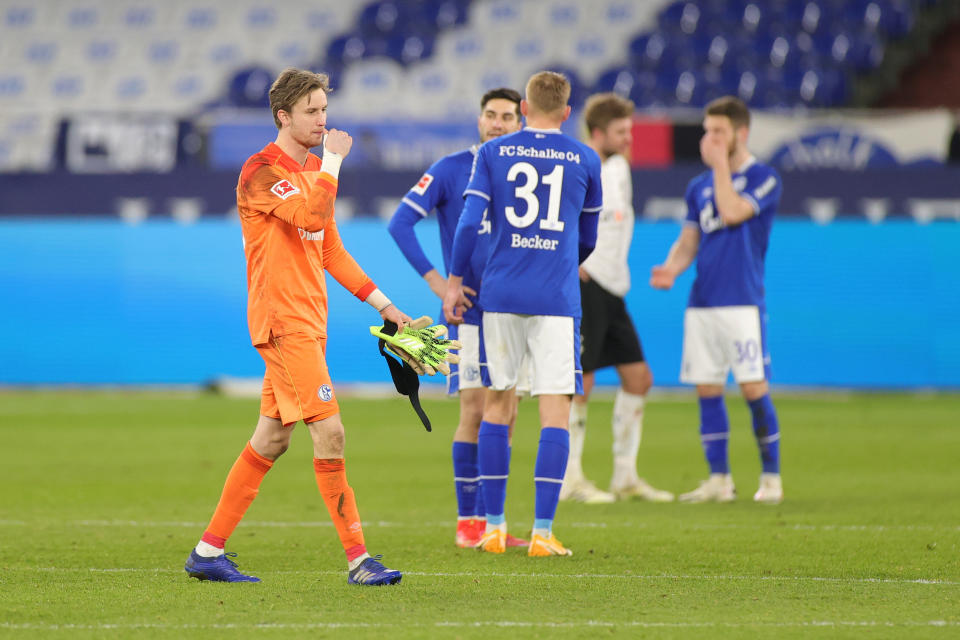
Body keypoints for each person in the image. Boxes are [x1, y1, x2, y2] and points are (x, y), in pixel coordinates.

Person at [184, 68, 411, 586]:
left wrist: (385, 305)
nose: (321, 120)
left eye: (324, 110)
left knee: (271, 439)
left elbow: (328, 246)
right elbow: (310, 218)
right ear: (283, 116)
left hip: (309, 322)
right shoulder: (261, 170)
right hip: (283, 323)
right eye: (311, 111)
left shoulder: (313, 170)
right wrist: (332, 162)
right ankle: (359, 560)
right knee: (330, 430)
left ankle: (207, 552)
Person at [443, 71, 603, 557]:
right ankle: (542, 532)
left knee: (497, 402)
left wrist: (454, 281)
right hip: (555, 300)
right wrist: (559, 264)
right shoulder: (585, 157)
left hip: (500, 294)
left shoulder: (493, 154)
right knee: (555, 408)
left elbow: (470, 222)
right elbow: (589, 237)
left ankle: (492, 528)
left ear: (525, 110)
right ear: (567, 113)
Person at [387, 88, 528, 549]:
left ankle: (495, 521)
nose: (498, 123)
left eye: (508, 116)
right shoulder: (450, 169)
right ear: (479, 119)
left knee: (506, 416)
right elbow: (400, 223)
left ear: (521, 122)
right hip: (468, 311)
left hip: (518, 309)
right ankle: (470, 521)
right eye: (491, 115)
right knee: (474, 409)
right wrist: (436, 280)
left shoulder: (531, 171)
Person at [650, 96, 784, 505]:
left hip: (742, 301)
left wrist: (721, 165)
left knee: (752, 387)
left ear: (741, 134)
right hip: (703, 300)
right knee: (707, 389)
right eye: (707, 131)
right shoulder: (698, 186)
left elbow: (730, 212)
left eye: (718, 132)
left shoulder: (764, 177)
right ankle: (719, 480)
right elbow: (690, 238)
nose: (709, 139)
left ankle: (772, 478)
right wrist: (673, 268)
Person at [559, 93, 674, 505]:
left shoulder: (622, 168)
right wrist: (570, 263)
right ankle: (570, 480)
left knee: (639, 378)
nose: (629, 140)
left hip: (614, 287)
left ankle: (625, 477)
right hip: (586, 286)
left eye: (631, 131)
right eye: (621, 132)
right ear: (598, 133)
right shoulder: (576, 168)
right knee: (582, 383)